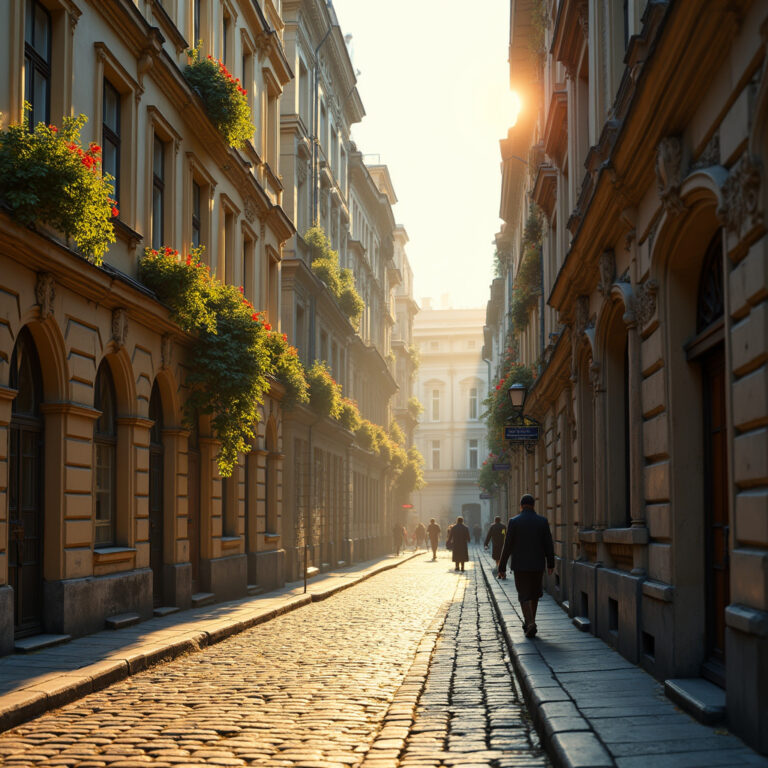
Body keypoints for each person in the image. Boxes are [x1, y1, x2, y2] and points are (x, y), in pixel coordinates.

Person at [498, 494, 554, 638]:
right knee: (535, 594)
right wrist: (551, 563)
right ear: (533, 505)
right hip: (537, 565)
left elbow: (507, 545)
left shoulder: (514, 522)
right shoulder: (542, 521)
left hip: (520, 565)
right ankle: (531, 621)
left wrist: (502, 566)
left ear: (521, 506)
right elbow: (548, 543)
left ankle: (530, 623)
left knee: (523, 595)